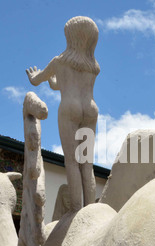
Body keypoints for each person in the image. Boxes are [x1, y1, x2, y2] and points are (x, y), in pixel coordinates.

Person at [26, 16, 100, 213]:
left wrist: (36, 77)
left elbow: (37, 80)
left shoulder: (60, 61)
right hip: (91, 109)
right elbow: (59, 84)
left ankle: (76, 211)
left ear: (70, 36)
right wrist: (53, 83)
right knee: (87, 163)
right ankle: (90, 211)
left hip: (70, 108)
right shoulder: (94, 65)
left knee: (72, 162)